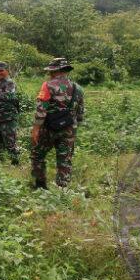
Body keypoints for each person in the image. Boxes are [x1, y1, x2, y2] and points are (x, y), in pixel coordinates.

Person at [30, 58, 84, 189]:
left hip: (49, 128)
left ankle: (40, 185)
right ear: (65, 71)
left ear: (55, 71)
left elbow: (41, 109)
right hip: (69, 128)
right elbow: (80, 113)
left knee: (37, 154)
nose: (49, 74)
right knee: (65, 159)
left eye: (50, 71)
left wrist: (36, 129)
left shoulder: (47, 85)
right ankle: (62, 189)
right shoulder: (78, 88)